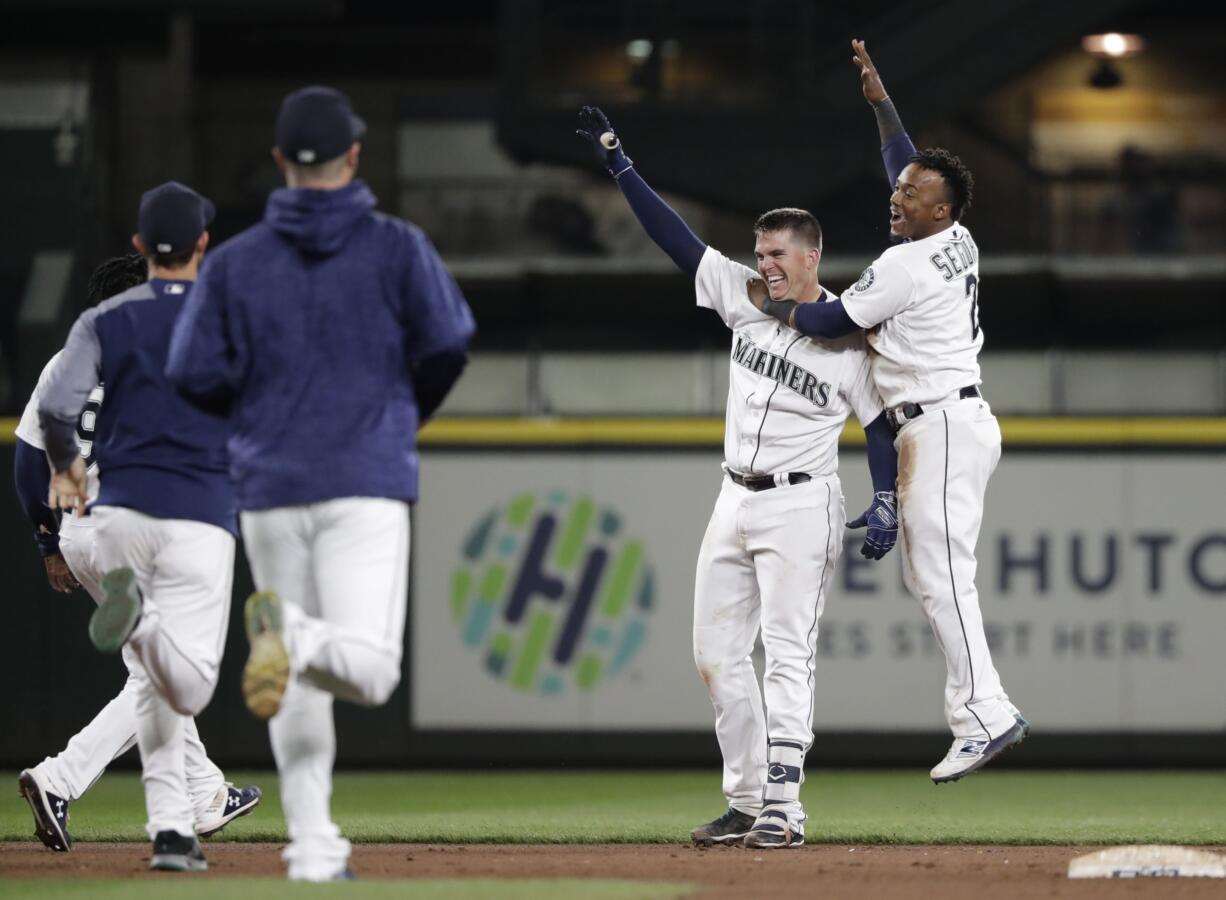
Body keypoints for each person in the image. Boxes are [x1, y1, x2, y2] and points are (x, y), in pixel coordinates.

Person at [164, 85, 475, 882]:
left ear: (279, 163)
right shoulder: (396, 246)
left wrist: (251, 417)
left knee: (301, 685)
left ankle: (312, 844)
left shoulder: (232, 263)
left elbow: (190, 371)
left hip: (268, 482)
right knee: (367, 670)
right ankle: (292, 643)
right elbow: (448, 345)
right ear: (355, 156)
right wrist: (405, 415)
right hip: (364, 476)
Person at [576, 105, 900, 849]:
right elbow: (676, 240)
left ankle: (787, 806)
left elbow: (880, 426)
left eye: (780, 253)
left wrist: (884, 498)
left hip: (801, 501)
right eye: (761, 251)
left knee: (788, 651)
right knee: (716, 655)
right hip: (734, 496)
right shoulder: (746, 300)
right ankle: (748, 800)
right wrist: (620, 163)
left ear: (812, 257)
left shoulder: (850, 334)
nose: (767, 263)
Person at [746, 40, 1028, 784]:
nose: (896, 196)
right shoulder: (957, 237)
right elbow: (909, 163)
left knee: (940, 577)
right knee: (937, 574)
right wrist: (881, 104)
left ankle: (986, 713)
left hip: (937, 424)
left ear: (940, 212)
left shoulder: (902, 263)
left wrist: (784, 301)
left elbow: (831, 325)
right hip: (953, 420)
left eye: (910, 196)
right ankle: (982, 710)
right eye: (899, 189)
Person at [13, 253, 260, 853]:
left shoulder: (64, 363)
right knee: (161, 673)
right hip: (136, 527)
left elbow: (27, 462)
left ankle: (205, 794)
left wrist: (49, 542)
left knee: (157, 668)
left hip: (76, 531)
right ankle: (59, 779)